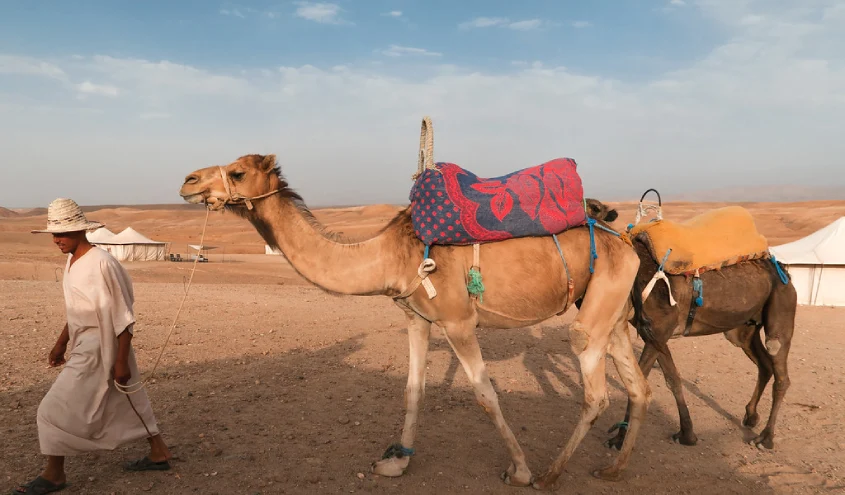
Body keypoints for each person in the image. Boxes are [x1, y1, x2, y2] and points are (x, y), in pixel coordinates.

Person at [15, 198, 172, 494]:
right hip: (84, 343)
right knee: (126, 398)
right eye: (53, 234)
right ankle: (159, 452)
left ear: (80, 231)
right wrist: (61, 344)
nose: (57, 240)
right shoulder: (72, 260)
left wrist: (121, 360)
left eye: (63, 233)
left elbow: (123, 316)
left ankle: (54, 474)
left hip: (103, 346)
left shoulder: (101, 262)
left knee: (50, 408)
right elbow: (78, 309)